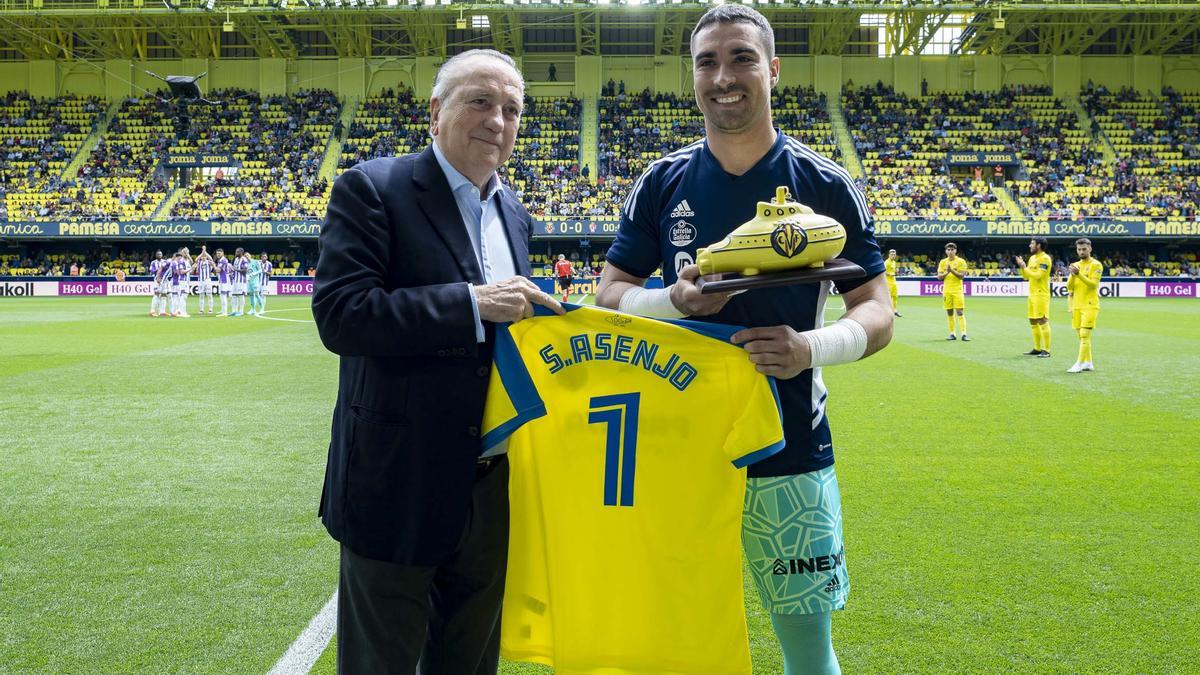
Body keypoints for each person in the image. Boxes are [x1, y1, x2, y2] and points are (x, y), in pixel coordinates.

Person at [595, 7, 893, 674]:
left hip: (792, 446)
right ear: (692, 76)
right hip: (678, 451)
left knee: (809, 654)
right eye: (707, 62)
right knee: (674, 647)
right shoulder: (661, 181)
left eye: (741, 58)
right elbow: (608, 295)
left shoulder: (826, 184)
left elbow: (877, 310)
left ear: (773, 70)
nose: (723, 76)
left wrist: (807, 347)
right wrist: (673, 300)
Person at [311, 48, 561, 675]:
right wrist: (470, 303)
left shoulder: (516, 214)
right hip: (397, 483)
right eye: (480, 101)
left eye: (511, 109)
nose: (496, 121)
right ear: (436, 111)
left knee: (471, 665)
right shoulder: (373, 187)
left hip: (489, 490)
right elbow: (341, 314)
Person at [1067, 238, 1103, 373]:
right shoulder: (1076, 265)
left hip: (1090, 305)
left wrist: (1078, 274)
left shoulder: (1096, 265)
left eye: (1084, 249)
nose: (1081, 252)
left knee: (1084, 334)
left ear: (1090, 249)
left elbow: (1093, 285)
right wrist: (1072, 275)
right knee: (1081, 336)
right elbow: (1069, 286)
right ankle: (1088, 362)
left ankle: (1079, 363)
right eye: (1079, 249)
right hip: (1077, 304)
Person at [1016, 236, 1052, 357]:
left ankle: (1046, 350)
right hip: (1032, 294)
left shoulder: (1045, 258)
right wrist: (1022, 267)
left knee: (1042, 320)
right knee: (1033, 321)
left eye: (1032, 243)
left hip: (1041, 294)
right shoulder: (1032, 258)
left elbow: (1038, 276)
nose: (1029, 245)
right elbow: (1026, 277)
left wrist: (1025, 268)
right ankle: (1037, 348)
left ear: (1039, 246)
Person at [938, 242, 969, 341]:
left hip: (957, 290)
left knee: (959, 311)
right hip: (947, 290)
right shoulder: (943, 262)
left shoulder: (961, 261)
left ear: (955, 251)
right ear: (946, 251)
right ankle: (952, 333)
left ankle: (964, 334)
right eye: (948, 249)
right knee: (949, 312)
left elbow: (961, 276)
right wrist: (947, 272)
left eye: (952, 249)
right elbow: (939, 277)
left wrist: (951, 270)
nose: (950, 251)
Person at [193, 246, 216, 316]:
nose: (203, 257)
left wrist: (204, 251)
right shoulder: (199, 263)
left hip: (207, 280)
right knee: (201, 295)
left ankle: (210, 309)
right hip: (200, 281)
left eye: (204, 256)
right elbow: (196, 260)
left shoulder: (208, 262)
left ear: (206, 257)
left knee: (209, 295)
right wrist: (202, 252)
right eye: (202, 256)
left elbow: (211, 259)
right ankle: (201, 309)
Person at [231, 247, 248, 317]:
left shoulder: (244, 259)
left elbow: (245, 270)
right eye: (236, 252)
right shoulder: (236, 259)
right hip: (235, 280)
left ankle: (241, 311)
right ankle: (234, 311)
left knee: (241, 295)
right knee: (234, 296)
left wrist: (236, 270)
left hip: (241, 280)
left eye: (237, 252)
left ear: (241, 252)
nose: (236, 253)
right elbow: (234, 268)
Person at [215, 248, 233, 316]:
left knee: (224, 295)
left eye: (219, 253)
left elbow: (218, 270)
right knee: (222, 295)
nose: (218, 255)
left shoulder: (223, 260)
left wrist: (212, 264)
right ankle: (223, 310)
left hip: (224, 280)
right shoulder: (221, 260)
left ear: (223, 253)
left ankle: (224, 312)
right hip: (222, 279)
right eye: (217, 253)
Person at [246, 252, 264, 316]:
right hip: (249, 282)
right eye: (245, 256)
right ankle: (253, 309)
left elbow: (260, 270)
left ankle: (262, 309)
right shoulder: (246, 264)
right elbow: (247, 272)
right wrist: (247, 277)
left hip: (255, 281)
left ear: (250, 255)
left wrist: (254, 273)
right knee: (251, 295)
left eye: (247, 255)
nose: (246, 256)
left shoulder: (255, 261)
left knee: (257, 294)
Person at [884, 248, 900, 317]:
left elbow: (894, 271)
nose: (893, 255)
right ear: (889, 255)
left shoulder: (894, 262)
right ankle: (889, 312)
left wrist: (896, 272)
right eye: (892, 254)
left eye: (894, 254)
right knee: (889, 297)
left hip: (894, 282)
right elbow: (883, 272)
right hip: (888, 283)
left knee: (895, 296)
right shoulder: (886, 262)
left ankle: (895, 311)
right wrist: (889, 274)